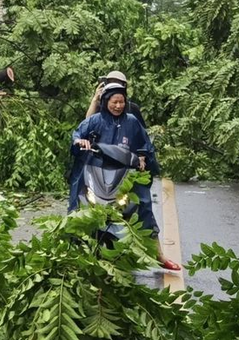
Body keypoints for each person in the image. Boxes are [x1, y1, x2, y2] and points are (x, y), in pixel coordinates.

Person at [67, 81, 180, 271]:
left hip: (126, 175)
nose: (118, 106)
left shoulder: (132, 120)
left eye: (121, 101)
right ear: (105, 100)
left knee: (144, 204)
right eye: (114, 102)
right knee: (78, 201)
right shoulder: (96, 120)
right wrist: (80, 141)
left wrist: (143, 157)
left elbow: (145, 144)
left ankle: (158, 253)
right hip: (97, 173)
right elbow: (78, 133)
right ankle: (72, 250)